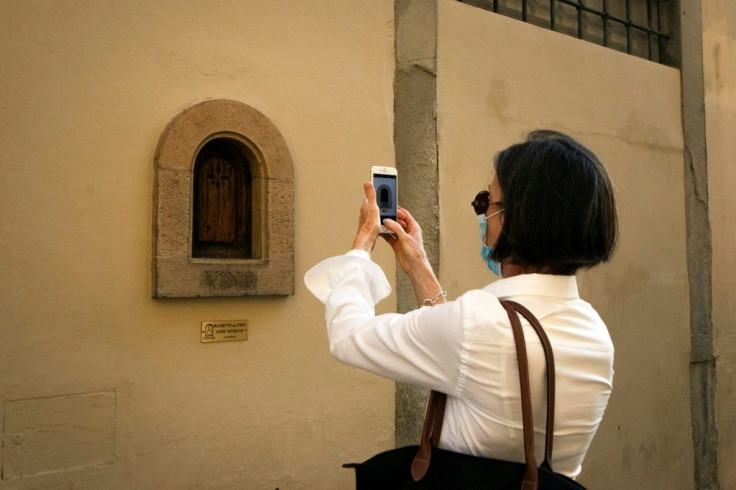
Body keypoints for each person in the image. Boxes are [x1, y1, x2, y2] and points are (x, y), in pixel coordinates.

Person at [304, 130, 617, 479]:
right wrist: (418, 264)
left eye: (488, 203)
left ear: (520, 218)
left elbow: (349, 336)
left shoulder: (478, 323)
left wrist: (362, 245)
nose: (482, 215)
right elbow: (464, 346)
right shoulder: (595, 334)